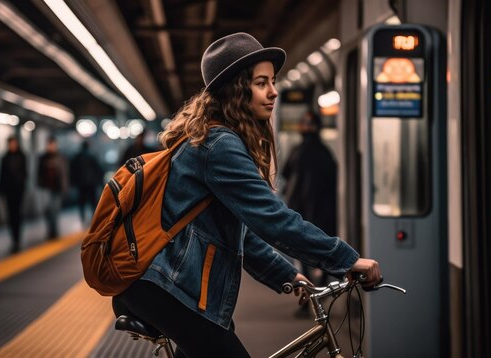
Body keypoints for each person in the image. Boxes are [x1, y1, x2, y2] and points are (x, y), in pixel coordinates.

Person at [111, 32, 381, 357]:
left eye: (272, 81)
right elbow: (273, 219)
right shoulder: (219, 145)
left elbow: (239, 232)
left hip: (170, 286)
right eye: (261, 83)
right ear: (237, 89)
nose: (273, 91)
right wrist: (346, 259)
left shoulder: (212, 139)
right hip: (168, 287)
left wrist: (286, 274)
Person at [281, 111, 338, 315]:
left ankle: (308, 293)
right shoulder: (325, 153)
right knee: (323, 254)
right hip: (324, 212)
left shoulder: (297, 151)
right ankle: (321, 291)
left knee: (302, 255)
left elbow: (286, 173)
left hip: (301, 211)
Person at [0, 136, 27, 253]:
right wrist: (0, 189)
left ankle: (17, 238)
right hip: (8, 191)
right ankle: (14, 238)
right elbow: (1, 174)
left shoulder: (22, 156)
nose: (12, 145)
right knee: (11, 215)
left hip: (18, 190)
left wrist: (20, 181)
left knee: (17, 214)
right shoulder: (4, 158)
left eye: (13, 143)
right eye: (10, 144)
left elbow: (25, 173)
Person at [37, 136, 69, 239]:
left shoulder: (60, 157)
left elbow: (64, 173)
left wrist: (65, 186)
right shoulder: (43, 158)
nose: (51, 147)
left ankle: (54, 231)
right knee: (47, 209)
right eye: (49, 145)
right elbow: (39, 173)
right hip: (46, 188)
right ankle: (50, 229)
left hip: (57, 188)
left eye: (52, 145)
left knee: (55, 209)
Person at [70, 141, 102, 225]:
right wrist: (99, 181)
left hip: (81, 184)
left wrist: (74, 182)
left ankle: (83, 218)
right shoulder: (92, 156)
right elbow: (98, 169)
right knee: (93, 202)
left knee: (82, 202)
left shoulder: (77, 157)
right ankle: (94, 218)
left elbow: (73, 170)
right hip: (92, 183)